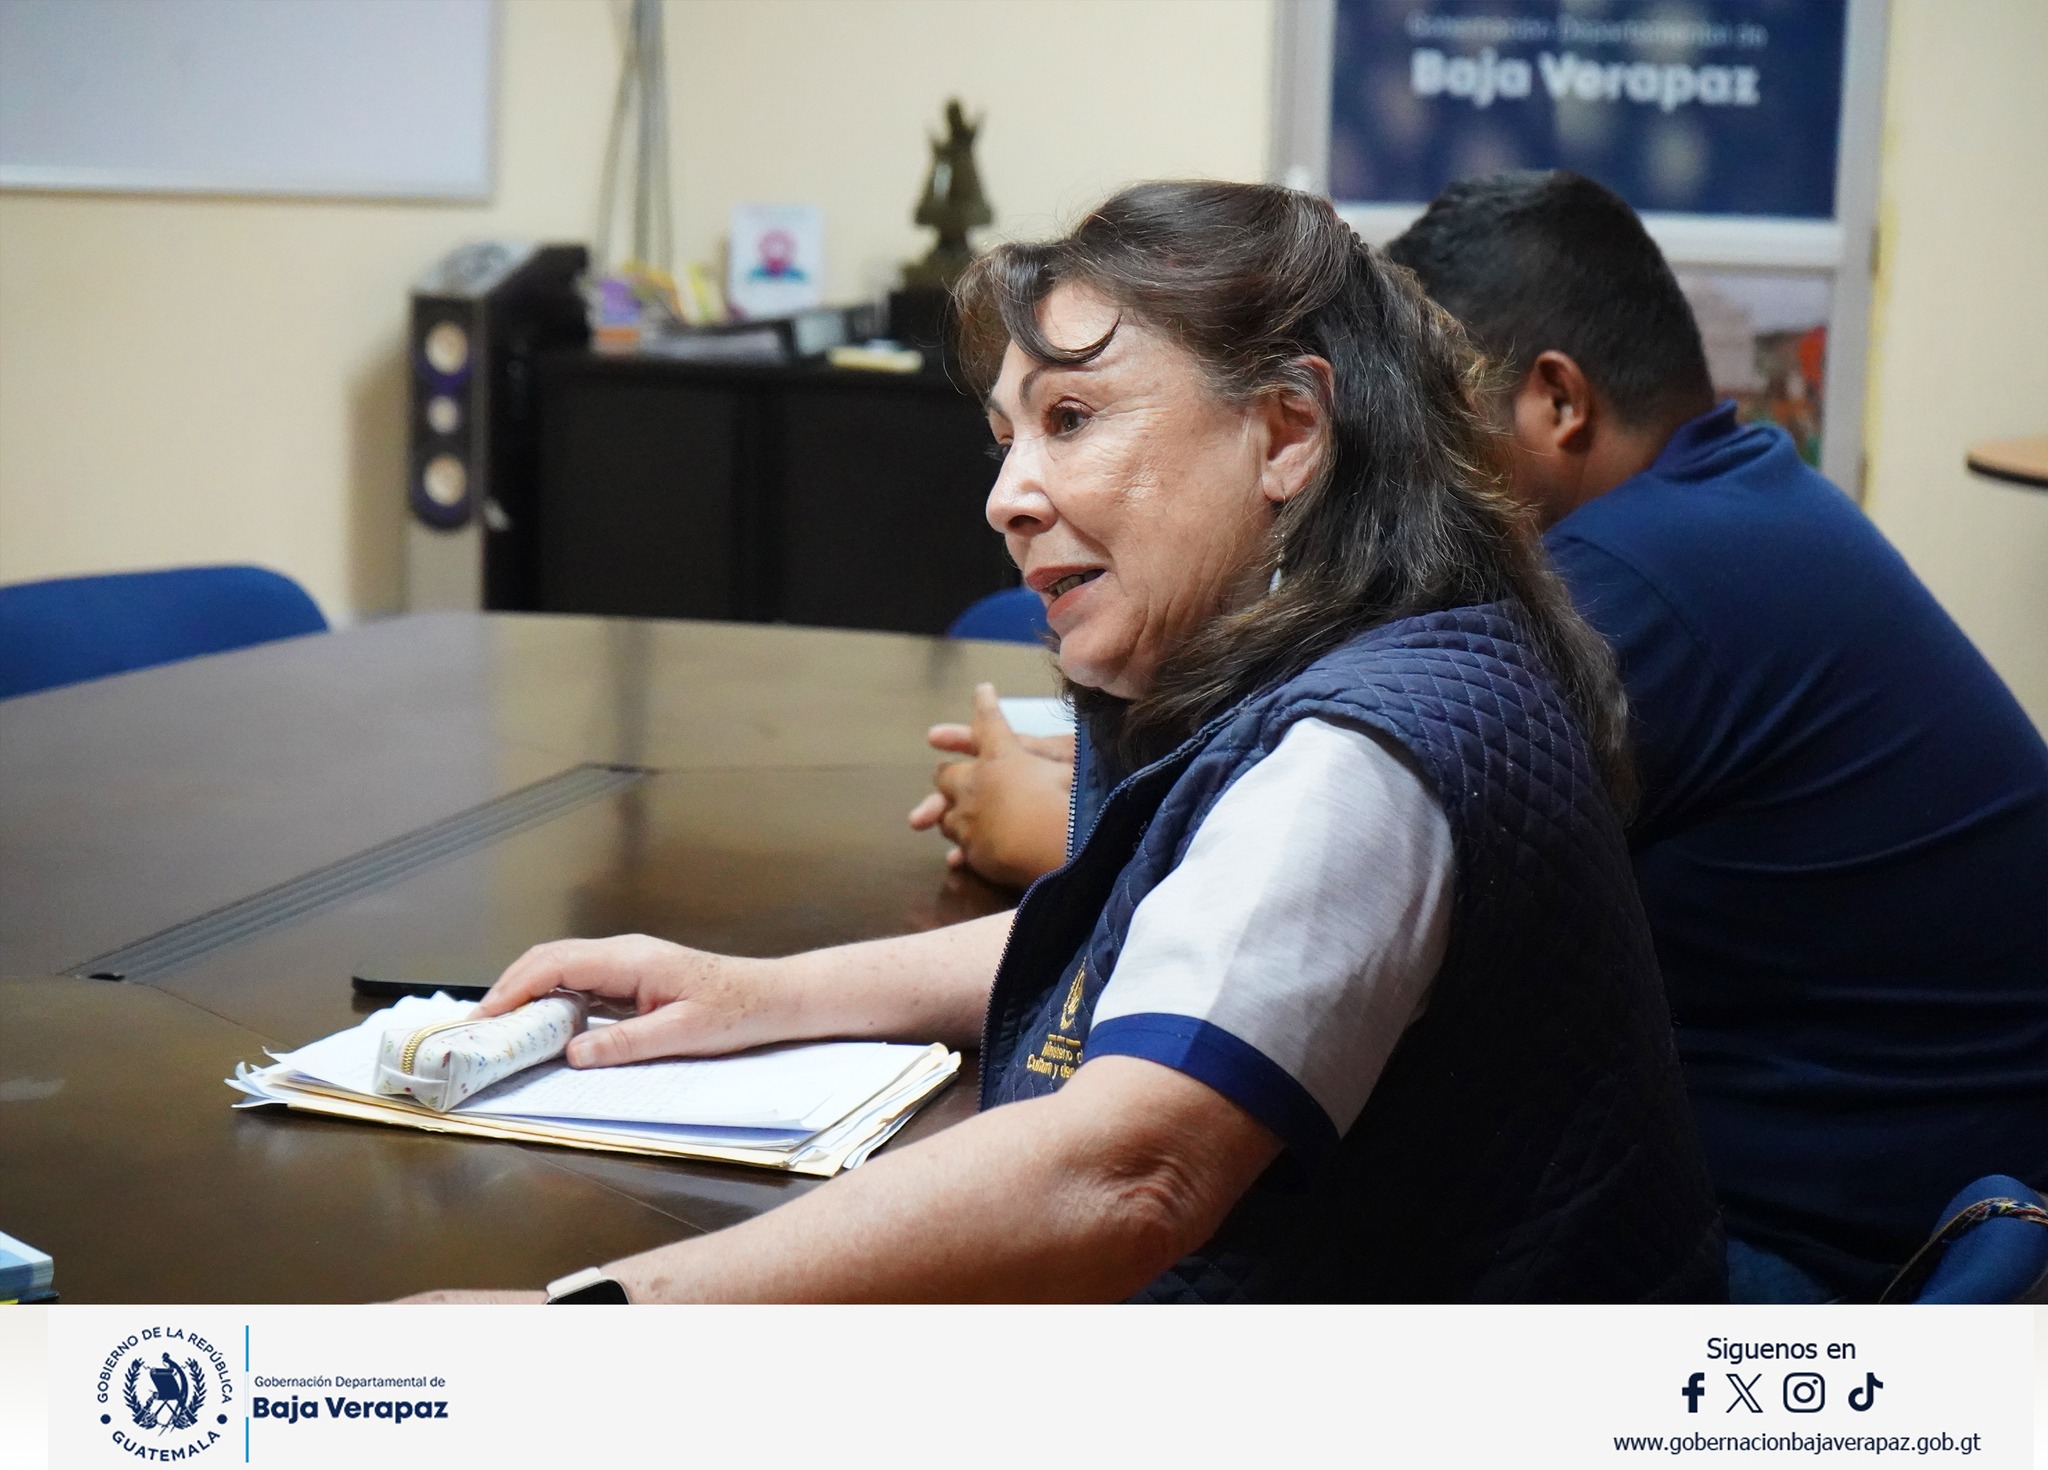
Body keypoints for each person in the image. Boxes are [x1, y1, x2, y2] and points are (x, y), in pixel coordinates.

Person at [412, 181, 1722, 1304]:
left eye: (1072, 420)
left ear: (1286, 433)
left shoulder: (1359, 757)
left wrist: (586, 1325)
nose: (1006, 497)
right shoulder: (1397, 648)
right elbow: (1161, 934)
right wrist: (758, 995)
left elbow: (1126, 1173)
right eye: (1006, 439)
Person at [913, 170, 2048, 1303]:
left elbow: (1322, 866)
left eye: (1436, 402)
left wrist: (1049, 824)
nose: (1392, 441)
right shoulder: (1738, 499)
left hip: (1821, 1240)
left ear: (1555, 401)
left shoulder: (1626, 588)